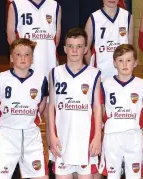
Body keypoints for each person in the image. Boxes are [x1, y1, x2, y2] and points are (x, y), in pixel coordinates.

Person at [0, 38, 49, 179]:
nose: (23, 58)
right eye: (18, 54)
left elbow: (43, 103)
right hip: (8, 135)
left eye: (27, 54)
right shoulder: (0, 79)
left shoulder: (41, 80)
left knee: (42, 176)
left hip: (31, 135)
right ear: (11, 58)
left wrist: (36, 117)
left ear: (32, 58)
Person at [48, 28, 102, 178]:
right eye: (71, 46)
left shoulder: (94, 74)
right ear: (65, 48)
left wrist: (97, 136)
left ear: (85, 49)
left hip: (85, 140)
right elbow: (51, 106)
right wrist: (51, 135)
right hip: (62, 140)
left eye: (79, 46)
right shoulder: (55, 73)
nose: (74, 50)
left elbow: (97, 107)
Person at [98, 44, 143, 178]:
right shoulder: (105, 85)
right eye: (120, 61)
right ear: (114, 63)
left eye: (129, 60)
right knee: (112, 175)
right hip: (112, 135)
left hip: (134, 135)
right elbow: (100, 112)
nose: (124, 64)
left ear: (135, 63)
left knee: (135, 176)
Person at [7, 0, 61, 79]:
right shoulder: (16, 5)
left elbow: (56, 39)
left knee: (48, 97)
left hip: (49, 65)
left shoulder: (55, 6)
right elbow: (11, 37)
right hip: (25, 68)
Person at [84, 0, 134, 80]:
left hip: (123, 76)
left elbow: (130, 48)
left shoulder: (127, 17)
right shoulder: (93, 18)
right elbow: (86, 49)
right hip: (101, 77)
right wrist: (93, 69)